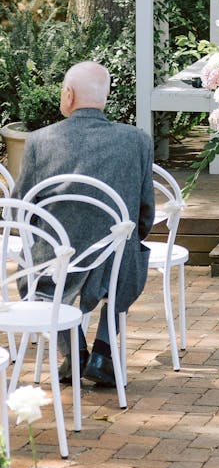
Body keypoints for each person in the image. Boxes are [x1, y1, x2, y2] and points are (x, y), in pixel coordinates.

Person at [14, 60, 155, 388]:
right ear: (104, 98)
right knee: (130, 251)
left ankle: (74, 351)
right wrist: (130, 239)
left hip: (57, 259)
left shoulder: (38, 142)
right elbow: (145, 210)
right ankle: (103, 352)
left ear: (68, 95)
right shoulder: (137, 141)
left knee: (42, 272)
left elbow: (22, 211)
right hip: (114, 260)